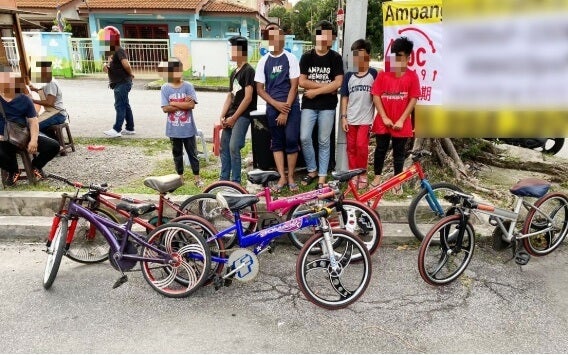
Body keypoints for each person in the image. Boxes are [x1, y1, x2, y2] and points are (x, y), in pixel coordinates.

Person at [254, 23, 301, 192]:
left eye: (278, 37)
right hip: (273, 107)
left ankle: (290, 176)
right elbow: (260, 89)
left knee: (291, 139)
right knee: (277, 143)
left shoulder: (290, 58)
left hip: (291, 106)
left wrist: (285, 110)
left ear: (282, 39)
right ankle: (282, 176)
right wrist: (276, 105)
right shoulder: (263, 61)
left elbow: (294, 87)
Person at [370, 36, 420, 194]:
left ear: (408, 57)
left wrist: (401, 119)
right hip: (383, 121)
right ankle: (377, 177)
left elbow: (413, 99)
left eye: (401, 56)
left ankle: (397, 181)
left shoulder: (412, 76)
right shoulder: (384, 74)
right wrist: (384, 117)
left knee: (399, 153)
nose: (397, 60)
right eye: (395, 56)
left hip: (401, 122)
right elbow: (376, 95)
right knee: (380, 149)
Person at [299, 20, 344, 189]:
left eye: (329, 36)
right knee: (304, 137)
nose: (326, 39)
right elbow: (303, 81)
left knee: (324, 141)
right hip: (309, 105)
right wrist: (327, 87)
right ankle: (312, 170)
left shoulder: (335, 58)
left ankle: (322, 176)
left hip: (327, 106)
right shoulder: (307, 57)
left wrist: (317, 91)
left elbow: (338, 82)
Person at [0, 67, 59, 187]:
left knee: (53, 146)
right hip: (3, 137)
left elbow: (33, 121)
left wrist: (33, 140)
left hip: (22, 134)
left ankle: (35, 166)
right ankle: (13, 171)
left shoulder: (24, 99)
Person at [340, 39, 378, 190]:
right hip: (351, 119)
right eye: (356, 55)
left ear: (368, 56)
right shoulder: (349, 76)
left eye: (362, 55)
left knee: (362, 146)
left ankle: (362, 173)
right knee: (351, 148)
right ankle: (353, 174)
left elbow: (377, 96)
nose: (359, 59)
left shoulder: (374, 74)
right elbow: (344, 97)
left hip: (366, 119)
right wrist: (343, 117)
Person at [219, 36, 257, 184]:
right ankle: (223, 180)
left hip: (243, 116)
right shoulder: (234, 72)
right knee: (224, 147)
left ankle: (235, 182)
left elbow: (248, 98)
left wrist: (234, 118)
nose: (230, 52)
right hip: (231, 115)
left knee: (234, 146)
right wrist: (222, 116)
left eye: (233, 49)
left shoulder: (249, 71)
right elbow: (230, 96)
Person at [160, 58, 203, 187]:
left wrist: (173, 102)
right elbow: (165, 108)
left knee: (193, 154)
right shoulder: (165, 88)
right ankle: (180, 178)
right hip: (173, 129)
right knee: (177, 154)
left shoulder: (188, 86)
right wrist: (183, 103)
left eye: (180, 69)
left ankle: (197, 178)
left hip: (188, 128)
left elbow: (192, 106)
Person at [101, 26, 135, 138]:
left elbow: (126, 64)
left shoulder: (119, 50)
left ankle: (117, 129)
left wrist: (130, 74)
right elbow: (113, 68)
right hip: (118, 82)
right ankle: (130, 128)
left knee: (119, 105)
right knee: (125, 105)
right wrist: (106, 67)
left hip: (122, 82)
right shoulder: (111, 51)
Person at [28, 61, 68, 137]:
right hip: (52, 112)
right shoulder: (48, 83)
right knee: (35, 124)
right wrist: (35, 90)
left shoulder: (50, 83)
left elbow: (49, 103)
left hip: (57, 114)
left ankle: (50, 144)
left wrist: (31, 100)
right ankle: (54, 141)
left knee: (33, 126)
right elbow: (44, 96)